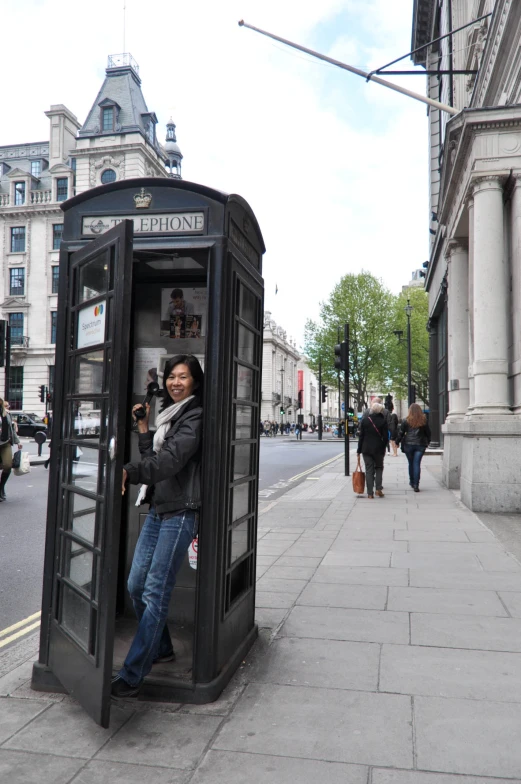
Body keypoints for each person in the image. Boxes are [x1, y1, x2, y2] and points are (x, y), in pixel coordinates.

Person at [111, 354, 203, 699]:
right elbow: (154, 458)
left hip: (181, 512)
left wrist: (130, 471)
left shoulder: (194, 416)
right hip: (159, 509)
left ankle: (133, 674)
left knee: (154, 592)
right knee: (136, 585)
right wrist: (144, 428)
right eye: (171, 377)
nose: (175, 382)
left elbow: (170, 461)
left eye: (183, 376)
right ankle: (161, 647)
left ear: (195, 381)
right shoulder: (168, 416)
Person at [396, 403, 431, 492]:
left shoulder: (406, 420)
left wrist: (397, 442)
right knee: (417, 464)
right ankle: (416, 484)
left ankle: (412, 481)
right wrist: (428, 442)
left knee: (411, 463)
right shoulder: (424, 420)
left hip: (408, 444)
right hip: (420, 444)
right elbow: (428, 432)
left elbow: (401, 432)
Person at [356, 401, 388, 499]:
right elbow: (386, 437)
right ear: (380, 411)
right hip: (378, 449)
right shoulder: (383, 421)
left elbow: (361, 436)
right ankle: (378, 489)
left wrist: (359, 450)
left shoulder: (365, 420)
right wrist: (384, 447)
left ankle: (370, 493)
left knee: (369, 470)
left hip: (366, 449)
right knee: (378, 468)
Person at [0, 398, 22, 501]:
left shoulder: (7, 414)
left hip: (5, 443)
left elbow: (12, 429)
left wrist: (18, 441)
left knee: (8, 465)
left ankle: (1, 487)